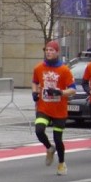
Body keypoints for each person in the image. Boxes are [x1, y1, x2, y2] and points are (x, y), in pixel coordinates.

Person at [32, 40, 76, 175]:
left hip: (59, 109)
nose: (49, 52)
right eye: (47, 50)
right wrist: (34, 92)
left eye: (52, 50)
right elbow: (35, 82)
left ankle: (62, 163)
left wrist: (60, 92)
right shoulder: (39, 68)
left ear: (57, 52)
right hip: (43, 107)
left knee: (58, 138)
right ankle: (49, 148)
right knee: (39, 130)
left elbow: (72, 90)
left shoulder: (64, 70)